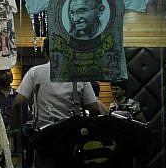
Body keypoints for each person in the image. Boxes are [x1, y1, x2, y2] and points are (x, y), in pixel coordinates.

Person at [10, 40, 99, 168]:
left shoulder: (35, 72)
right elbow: (94, 107)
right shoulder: (79, 75)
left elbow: (17, 103)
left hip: (44, 138)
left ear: (45, 53)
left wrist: (14, 132)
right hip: (72, 139)